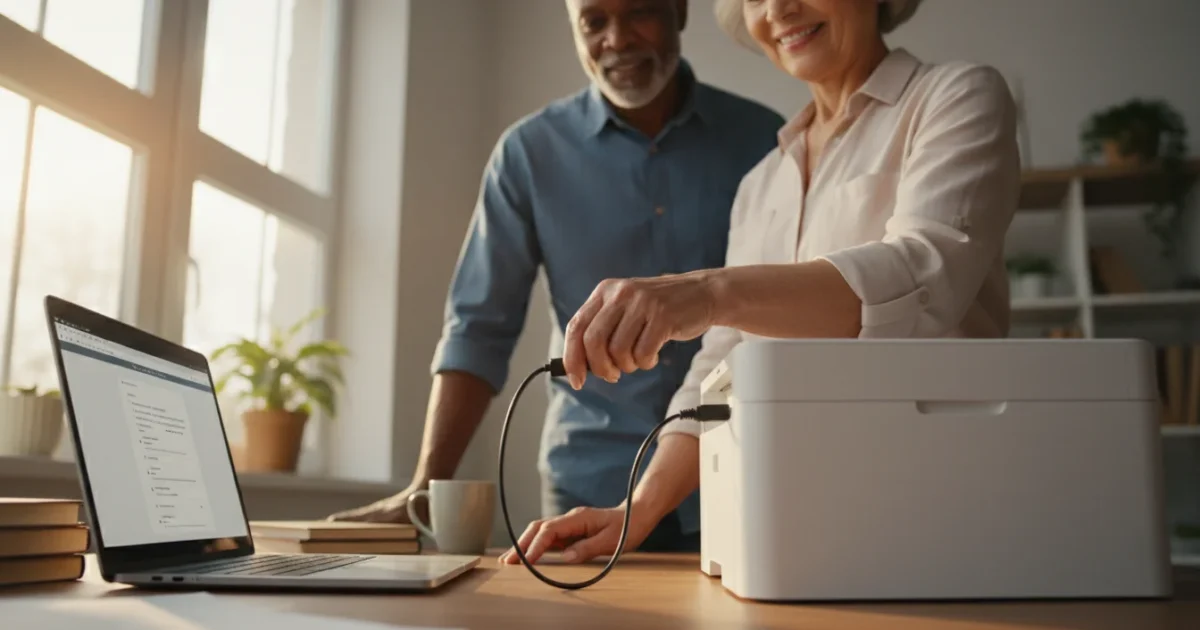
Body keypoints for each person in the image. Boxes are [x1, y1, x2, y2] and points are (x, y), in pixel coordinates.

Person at [502, 0, 1021, 565]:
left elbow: (926, 276)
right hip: (797, 524)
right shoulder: (761, 181)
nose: (778, 8)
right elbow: (721, 367)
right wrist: (638, 510)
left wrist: (709, 293)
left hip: (932, 508)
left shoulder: (955, 97)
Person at [328, 0, 785, 558]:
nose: (616, 39)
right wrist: (427, 484)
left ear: (679, 12)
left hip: (736, 469)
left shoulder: (766, 139)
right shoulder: (527, 154)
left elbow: (789, 314)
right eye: (594, 21)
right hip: (591, 482)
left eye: (638, 11)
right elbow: (478, 328)